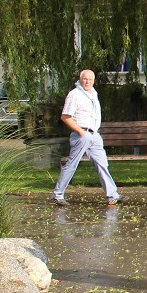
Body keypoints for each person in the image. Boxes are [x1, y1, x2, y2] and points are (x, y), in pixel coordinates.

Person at [52, 69, 121, 206]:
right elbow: (65, 117)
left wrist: (93, 133)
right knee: (72, 163)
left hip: (94, 134)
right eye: (85, 79)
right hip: (82, 134)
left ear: (94, 81)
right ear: (80, 79)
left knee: (102, 164)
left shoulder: (93, 94)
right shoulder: (74, 94)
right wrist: (81, 132)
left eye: (90, 79)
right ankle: (58, 194)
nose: (87, 81)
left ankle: (112, 195)